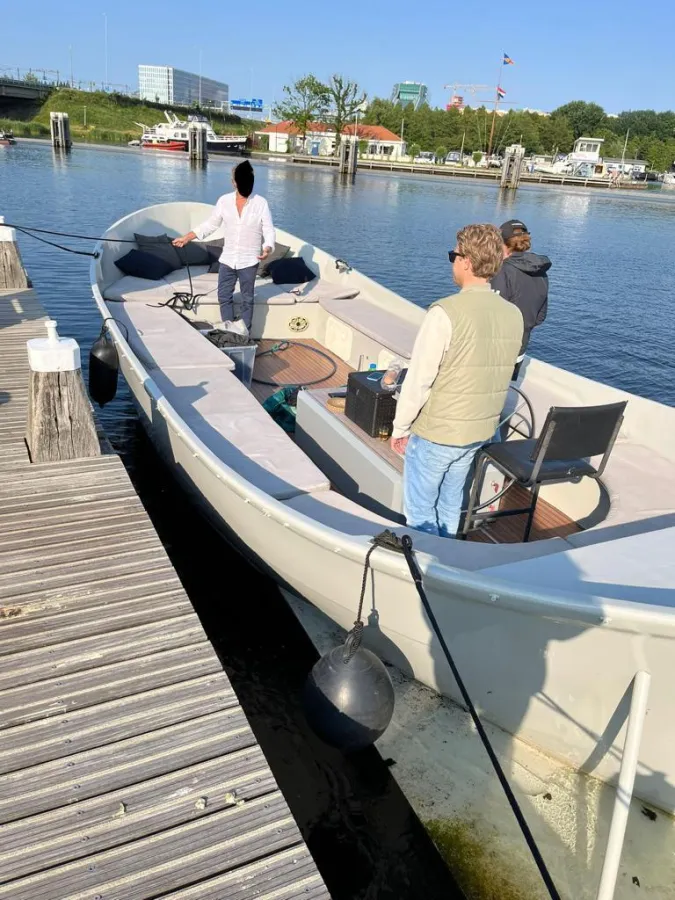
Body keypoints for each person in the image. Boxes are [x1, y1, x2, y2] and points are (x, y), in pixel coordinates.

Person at [391, 224, 523, 538]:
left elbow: (420, 379)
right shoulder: (513, 314)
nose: (452, 262)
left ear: (466, 261)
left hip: (440, 431)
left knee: (421, 512)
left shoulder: (444, 313)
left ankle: (424, 569)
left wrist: (400, 428)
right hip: (478, 430)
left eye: (454, 255)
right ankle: (447, 557)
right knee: (452, 503)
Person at [173, 160, 275, 337]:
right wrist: (187, 238)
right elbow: (210, 225)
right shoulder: (224, 201)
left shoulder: (261, 203)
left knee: (247, 299)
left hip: (249, 261)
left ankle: (244, 336)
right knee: (224, 296)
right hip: (228, 260)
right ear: (234, 181)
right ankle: (228, 334)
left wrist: (267, 248)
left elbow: (268, 229)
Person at [490, 219, 551, 376]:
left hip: (497, 349)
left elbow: (492, 315)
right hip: (521, 346)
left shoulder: (502, 271)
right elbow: (540, 317)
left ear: (502, 243)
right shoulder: (541, 272)